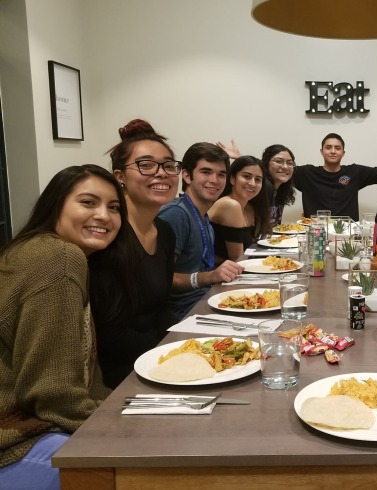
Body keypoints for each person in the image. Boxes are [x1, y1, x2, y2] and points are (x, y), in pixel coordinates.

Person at [0, 165, 128, 489]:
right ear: (55, 205)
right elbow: (54, 395)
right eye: (88, 202)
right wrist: (121, 427)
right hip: (14, 440)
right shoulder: (59, 257)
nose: (104, 215)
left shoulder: (36, 249)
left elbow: (87, 382)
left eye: (113, 207)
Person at [94, 119, 179, 388]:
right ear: (120, 177)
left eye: (168, 165)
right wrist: (167, 359)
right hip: (120, 378)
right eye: (146, 164)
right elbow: (109, 334)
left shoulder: (164, 231)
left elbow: (162, 307)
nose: (161, 173)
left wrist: (185, 347)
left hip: (159, 361)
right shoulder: (108, 235)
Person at [158, 143, 244, 320]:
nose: (215, 180)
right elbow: (161, 279)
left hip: (205, 298)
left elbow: (196, 260)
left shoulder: (202, 215)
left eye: (221, 174)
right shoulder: (177, 213)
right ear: (187, 176)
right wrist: (209, 276)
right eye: (206, 172)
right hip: (184, 310)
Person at [293, 133, 377, 221]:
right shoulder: (306, 173)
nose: (333, 151)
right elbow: (281, 173)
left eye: (337, 148)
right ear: (321, 151)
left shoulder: (354, 172)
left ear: (343, 153)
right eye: (328, 147)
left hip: (348, 235)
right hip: (316, 232)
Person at [209, 155, 271, 261]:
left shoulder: (249, 208)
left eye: (258, 179)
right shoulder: (230, 205)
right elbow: (237, 259)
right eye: (247, 176)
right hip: (217, 272)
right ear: (232, 179)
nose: (252, 183)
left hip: (236, 270)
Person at [261, 144, 296, 227]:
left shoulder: (282, 188)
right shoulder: (262, 187)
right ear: (266, 164)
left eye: (289, 163)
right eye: (278, 161)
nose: (285, 167)